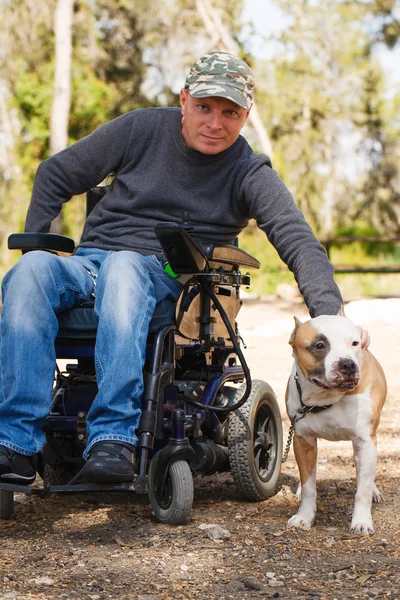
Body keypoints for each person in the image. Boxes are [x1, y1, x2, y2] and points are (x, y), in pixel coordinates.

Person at [0, 51, 367, 486]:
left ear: (246, 115)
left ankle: (113, 436)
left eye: (230, 112)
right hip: (91, 263)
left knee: (125, 267)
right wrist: (38, 241)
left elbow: (298, 240)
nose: (215, 123)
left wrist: (331, 319)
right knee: (30, 272)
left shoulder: (248, 172)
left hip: (170, 277)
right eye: (205, 107)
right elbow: (54, 173)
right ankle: (15, 445)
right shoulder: (139, 129)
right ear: (184, 99)